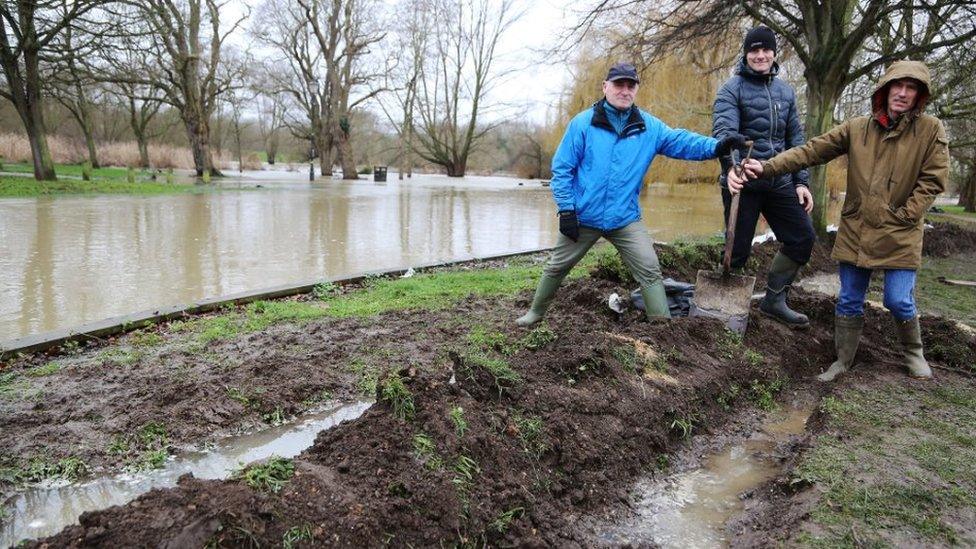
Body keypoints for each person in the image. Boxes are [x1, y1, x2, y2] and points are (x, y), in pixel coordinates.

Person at [728, 60, 948, 380]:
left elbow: (932, 181)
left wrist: (906, 215)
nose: (902, 93)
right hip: (857, 227)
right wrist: (767, 167)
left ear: (919, 96)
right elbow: (812, 151)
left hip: (900, 229)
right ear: (884, 90)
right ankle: (843, 360)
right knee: (848, 298)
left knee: (898, 299)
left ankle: (914, 353)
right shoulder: (857, 127)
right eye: (896, 86)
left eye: (910, 88)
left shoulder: (930, 130)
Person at [517, 62, 746, 327]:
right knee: (557, 266)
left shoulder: (649, 127)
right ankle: (535, 314)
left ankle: (661, 325)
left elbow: (682, 142)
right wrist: (567, 209)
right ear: (605, 87)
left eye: (630, 85)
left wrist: (717, 146)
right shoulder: (582, 124)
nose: (625, 91)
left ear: (636, 89)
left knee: (650, 270)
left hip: (624, 217)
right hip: (582, 216)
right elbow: (562, 169)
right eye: (618, 85)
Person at [713, 25, 816, 328]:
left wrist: (801, 182)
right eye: (753, 50)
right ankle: (723, 313)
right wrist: (731, 169)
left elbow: (796, 141)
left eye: (765, 50)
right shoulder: (731, 89)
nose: (760, 55)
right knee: (737, 250)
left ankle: (773, 300)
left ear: (774, 53)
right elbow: (724, 135)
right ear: (746, 54)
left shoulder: (786, 92)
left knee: (803, 238)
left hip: (780, 181)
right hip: (743, 183)